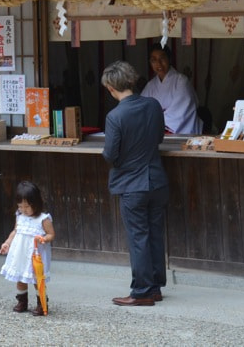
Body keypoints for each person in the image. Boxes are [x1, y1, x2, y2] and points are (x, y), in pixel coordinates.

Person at [101, 60, 170, 307]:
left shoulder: (115, 116)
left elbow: (110, 154)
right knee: (154, 235)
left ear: (111, 87)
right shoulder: (153, 105)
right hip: (157, 180)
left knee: (138, 236)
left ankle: (141, 292)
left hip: (132, 185)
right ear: (131, 80)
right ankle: (155, 287)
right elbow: (160, 137)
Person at [0, 181, 55, 316]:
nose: (24, 209)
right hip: (20, 253)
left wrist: (44, 239)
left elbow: (51, 234)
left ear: (36, 203)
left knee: (37, 279)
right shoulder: (20, 216)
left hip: (35, 255)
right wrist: (7, 243)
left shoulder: (43, 219)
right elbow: (15, 231)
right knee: (21, 279)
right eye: (20, 206)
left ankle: (41, 303)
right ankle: (22, 302)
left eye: (27, 206)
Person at [140, 43, 201, 135]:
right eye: (154, 60)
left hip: (178, 130)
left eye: (162, 58)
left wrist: (155, 122)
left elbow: (180, 112)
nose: (158, 63)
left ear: (169, 59)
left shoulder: (181, 81)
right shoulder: (150, 85)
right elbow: (141, 109)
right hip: (156, 130)